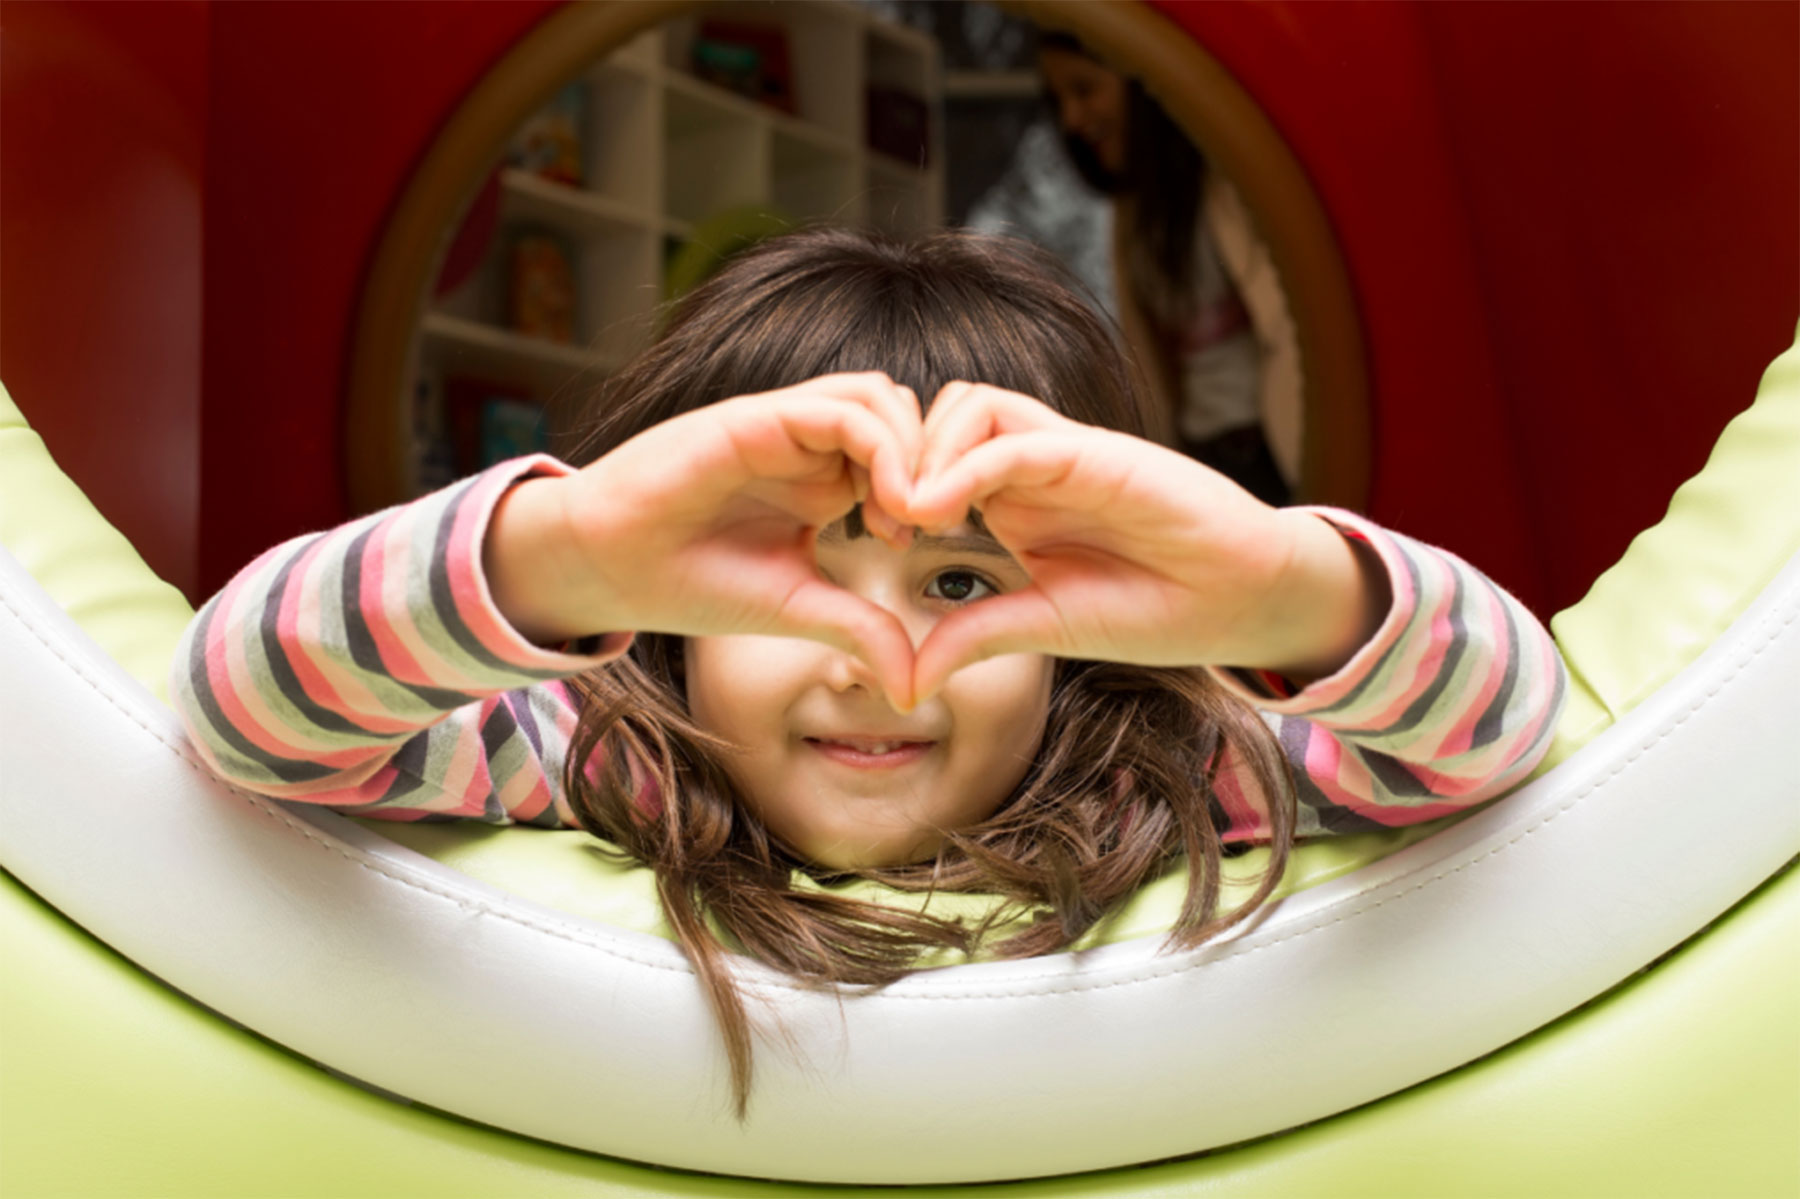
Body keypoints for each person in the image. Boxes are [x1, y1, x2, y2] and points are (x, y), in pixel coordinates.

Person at [172, 228, 1564, 1116]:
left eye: (961, 584)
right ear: (662, 619)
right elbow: (252, 706)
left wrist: (1279, 590)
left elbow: (1497, 731)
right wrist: (567, 553)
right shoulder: (605, 747)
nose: (879, 665)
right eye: (787, 589)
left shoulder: (1157, 764)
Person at [1039, 30, 1299, 505]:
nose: (1072, 118)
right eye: (1059, 100)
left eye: (1084, 89)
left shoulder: (1233, 183)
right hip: (1204, 459)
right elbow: (1152, 364)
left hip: (1281, 451)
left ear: (1142, 83)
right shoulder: (1133, 214)